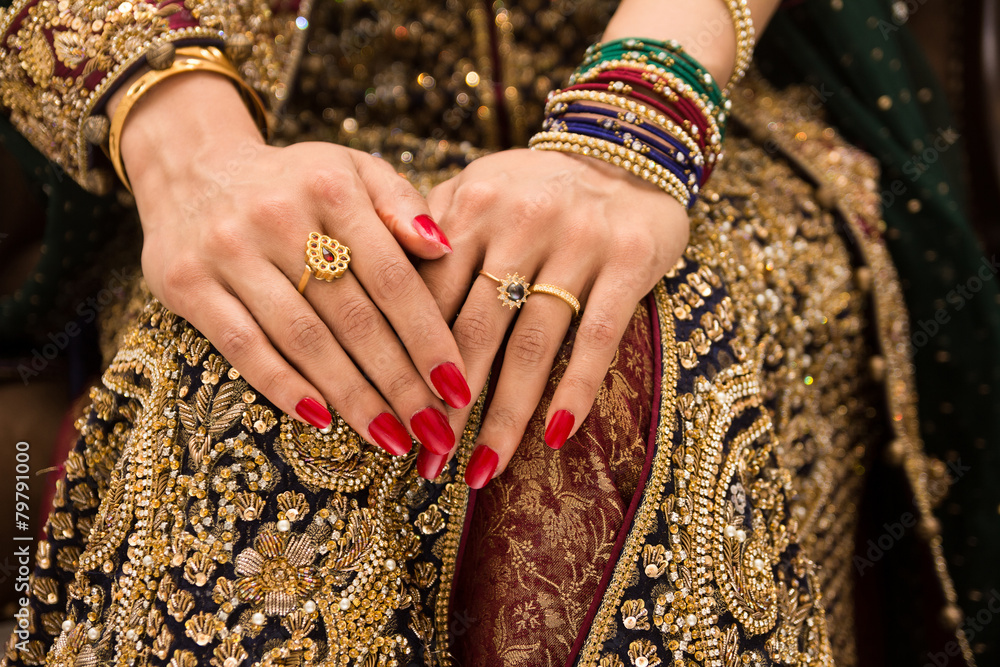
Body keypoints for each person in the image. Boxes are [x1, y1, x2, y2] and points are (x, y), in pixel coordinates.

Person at [0, 0, 996, 663]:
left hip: (695, 107)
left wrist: (637, 121)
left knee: (615, 354)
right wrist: (188, 149)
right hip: (266, 128)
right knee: (275, 349)